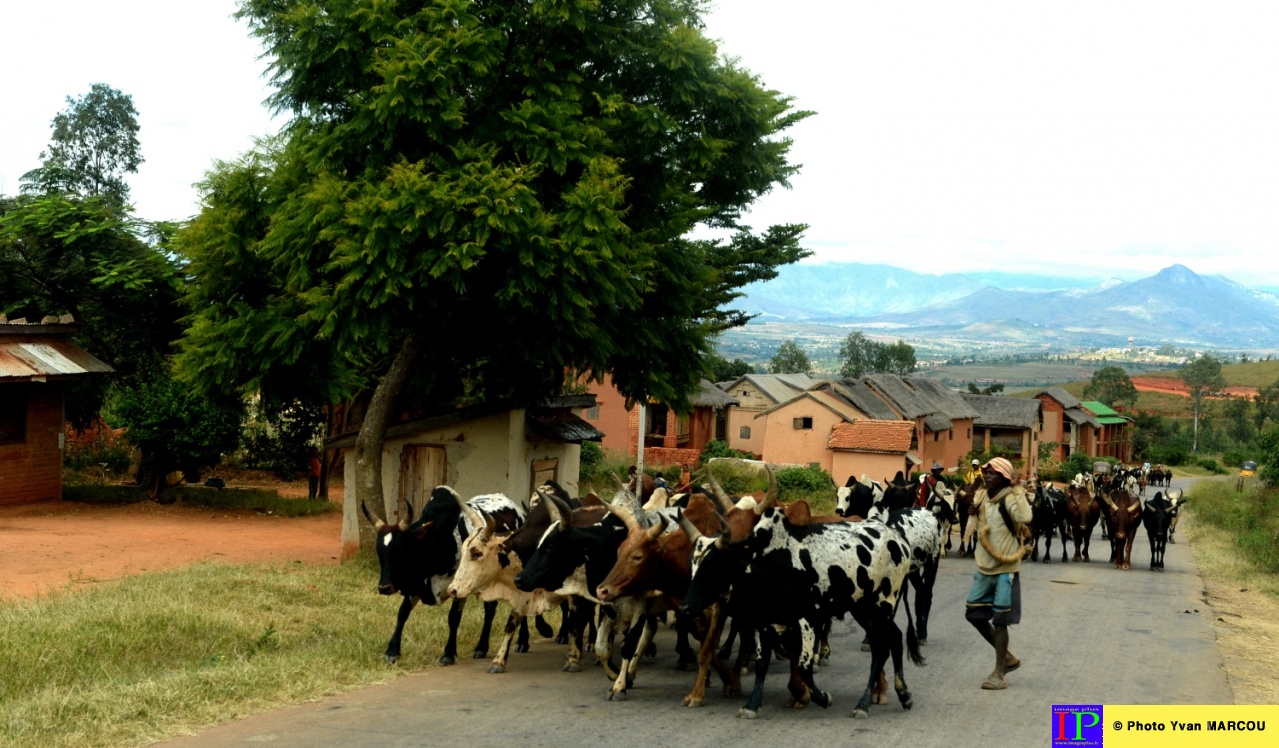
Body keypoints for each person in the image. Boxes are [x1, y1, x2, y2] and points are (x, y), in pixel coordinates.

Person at [962, 456, 1032, 691]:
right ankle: (1009, 658)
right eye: (986, 472)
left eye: (992, 473)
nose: (987, 475)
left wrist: (1017, 489)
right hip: (984, 564)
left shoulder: (1010, 498)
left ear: (1003, 477)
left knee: (1000, 620)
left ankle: (999, 672)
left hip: (1006, 568)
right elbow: (977, 520)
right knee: (973, 615)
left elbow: (1025, 518)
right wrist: (972, 509)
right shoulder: (981, 496)